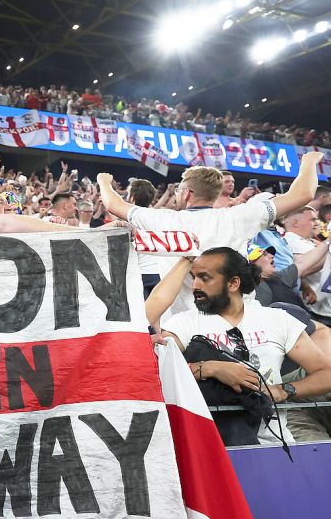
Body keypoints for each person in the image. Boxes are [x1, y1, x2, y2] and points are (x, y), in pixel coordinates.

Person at [98, 152, 322, 315]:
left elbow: (113, 204)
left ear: (187, 194)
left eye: (178, 190)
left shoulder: (163, 219)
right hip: (235, 319)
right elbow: (303, 193)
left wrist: (104, 181)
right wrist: (309, 161)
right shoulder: (237, 217)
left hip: (178, 325)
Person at [155, 248, 331, 444]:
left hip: (274, 442)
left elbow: (326, 374)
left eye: (204, 278)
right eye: (194, 277)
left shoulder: (277, 319)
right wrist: (210, 368)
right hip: (211, 443)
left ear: (233, 283)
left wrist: (283, 390)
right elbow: (158, 370)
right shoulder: (183, 322)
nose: (194, 285)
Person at [281, 206, 331, 323]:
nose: (317, 223)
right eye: (312, 219)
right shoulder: (291, 241)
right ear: (296, 222)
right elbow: (306, 268)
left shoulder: (307, 240)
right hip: (323, 309)